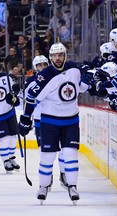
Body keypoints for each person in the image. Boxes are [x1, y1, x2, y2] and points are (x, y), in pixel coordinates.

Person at [18, 42, 96, 204]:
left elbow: (81, 87)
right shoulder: (44, 75)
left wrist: (91, 80)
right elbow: (32, 98)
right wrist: (26, 118)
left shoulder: (74, 69)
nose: (58, 58)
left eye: (60, 55)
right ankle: (43, 186)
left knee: (70, 154)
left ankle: (72, 186)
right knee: (47, 156)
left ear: (65, 56)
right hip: (49, 122)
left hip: (71, 121)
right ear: (50, 57)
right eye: (54, 55)